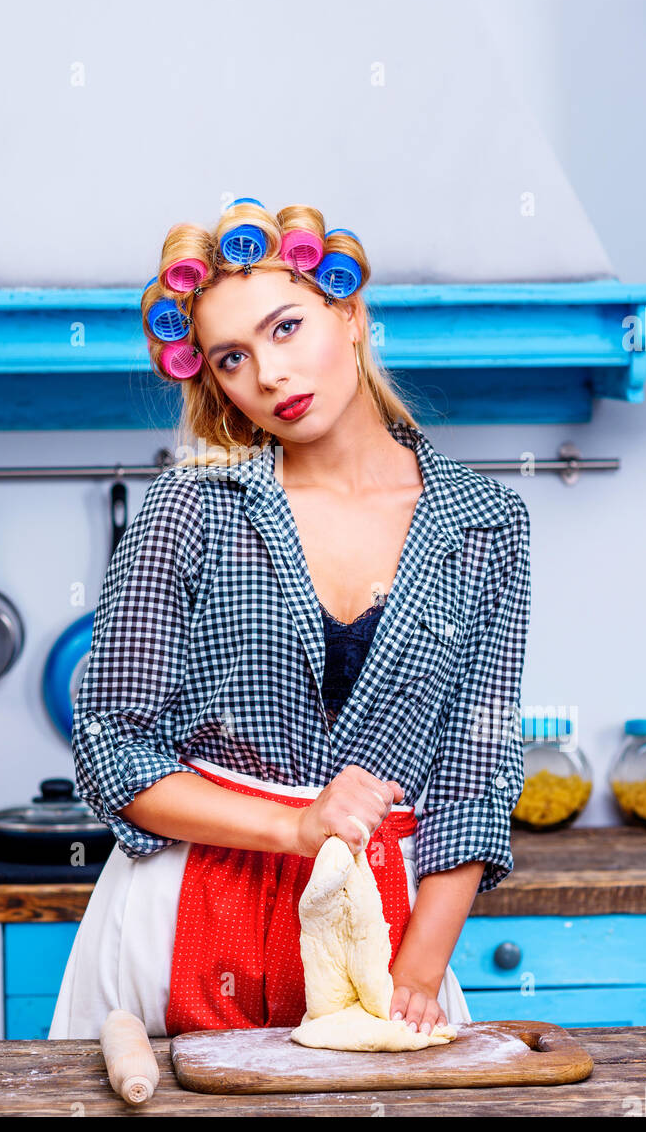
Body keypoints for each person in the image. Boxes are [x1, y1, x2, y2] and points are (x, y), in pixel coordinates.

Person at [49, 199, 531, 1041]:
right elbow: (111, 743)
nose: (266, 375)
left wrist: (417, 969)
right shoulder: (185, 510)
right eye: (231, 356)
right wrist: (292, 826)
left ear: (347, 315)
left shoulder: (485, 523)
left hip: (385, 927)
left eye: (285, 327)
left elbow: (474, 772)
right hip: (182, 913)